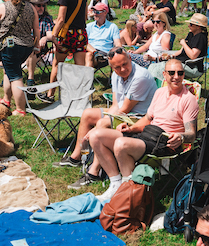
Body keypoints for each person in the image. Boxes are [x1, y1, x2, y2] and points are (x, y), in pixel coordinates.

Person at [83, 58, 198, 201]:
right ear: (164, 74)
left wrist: (181, 137)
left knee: (121, 144)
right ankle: (116, 184)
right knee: (96, 135)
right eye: (172, 73)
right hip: (147, 134)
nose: (176, 77)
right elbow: (148, 119)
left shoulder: (188, 99)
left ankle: (128, 191)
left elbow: (192, 134)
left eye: (180, 73)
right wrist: (131, 128)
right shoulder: (160, 92)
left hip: (163, 142)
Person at [60, 47, 157, 181]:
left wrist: (99, 126)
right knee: (88, 114)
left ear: (130, 58)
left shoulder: (141, 77)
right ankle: (77, 157)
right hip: (123, 112)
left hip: (138, 117)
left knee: (102, 123)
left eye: (125, 64)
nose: (122, 69)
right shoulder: (116, 75)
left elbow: (125, 109)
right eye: (117, 67)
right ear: (111, 67)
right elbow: (116, 105)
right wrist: (105, 120)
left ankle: (94, 171)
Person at [50, 0, 89, 69]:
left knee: (57, 64)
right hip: (81, 33)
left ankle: (52, 85)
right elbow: (85, 17)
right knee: (80, 66)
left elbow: (61, 19)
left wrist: (54, 35)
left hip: (67, 35)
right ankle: (81, 85)